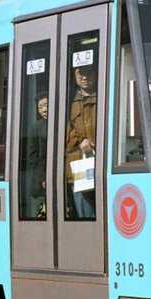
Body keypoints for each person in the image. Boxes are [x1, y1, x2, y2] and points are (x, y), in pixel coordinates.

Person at [65, 63, 97, 220]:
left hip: (103, 162)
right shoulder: (67, 100)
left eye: (88, 72)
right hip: (79, 163)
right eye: (80, 73)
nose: (84, 77)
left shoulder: (106, 94)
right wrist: (80, 141)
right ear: (75, 76)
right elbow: (62, 131)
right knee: (86, 216)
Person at [25, 92, 48, 217]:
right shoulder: (36, 127)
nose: (44, 110)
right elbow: (32, 156)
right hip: (41, 182)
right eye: (40, 107)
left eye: (46, 105)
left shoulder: (64, 123)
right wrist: (43, 177)